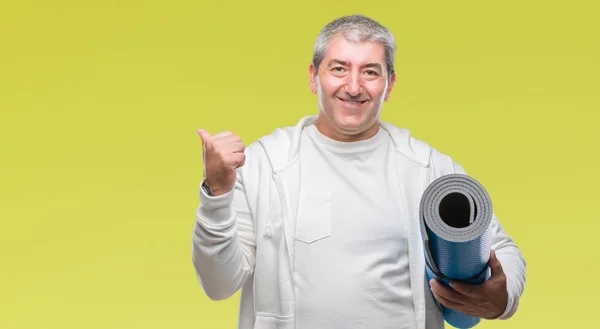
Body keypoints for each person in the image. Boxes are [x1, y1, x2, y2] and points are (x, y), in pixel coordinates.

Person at [191, 14, 526, 329]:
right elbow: (218, 284)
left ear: (389, 84)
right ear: (313, 76)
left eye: (370, 72)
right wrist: (217, 194)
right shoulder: (265, 164)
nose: (353, 87)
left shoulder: (428, 168)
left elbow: (503, 250)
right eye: (339, 69)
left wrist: (501, 298)